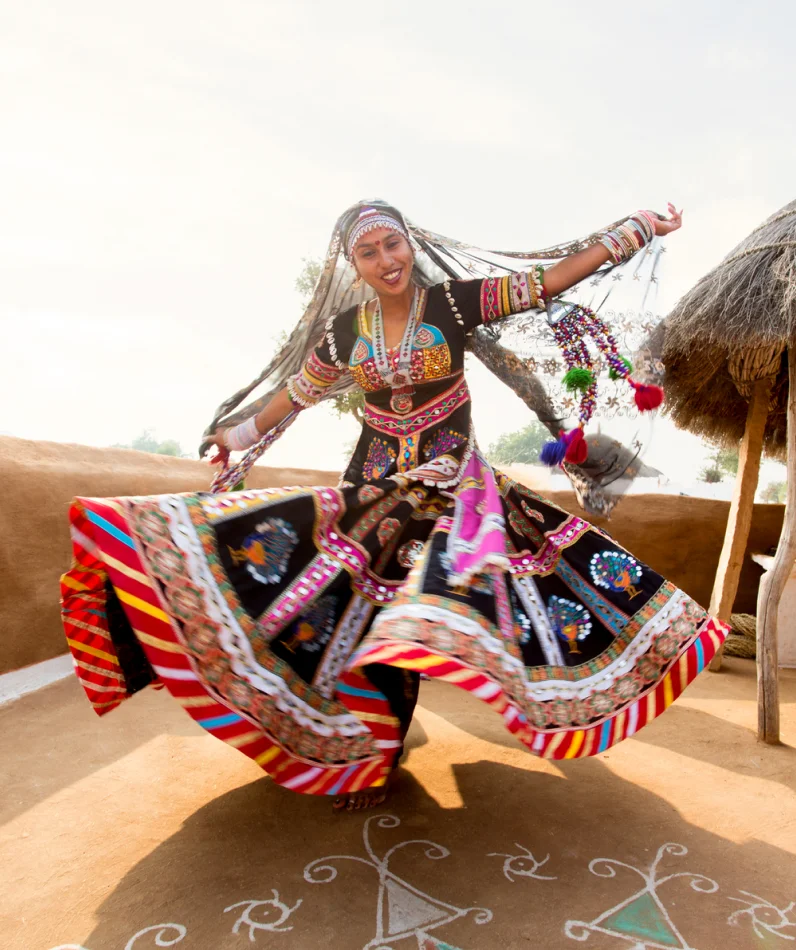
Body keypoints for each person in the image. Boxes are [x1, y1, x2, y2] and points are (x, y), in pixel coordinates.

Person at [61, 200, 727, 812]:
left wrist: (631, 231)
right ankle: (371, 754)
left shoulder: (455, 306)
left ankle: (473, 720)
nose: (387, 261)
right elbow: (295, 395)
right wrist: (235, 435)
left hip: (453, 492)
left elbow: (545, 283)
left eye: (393, 244)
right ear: (353, 265)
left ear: (412, 243)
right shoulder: (346, 331)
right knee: (356, 615)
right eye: (369, 253)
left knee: (447, 610)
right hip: (375, 490)